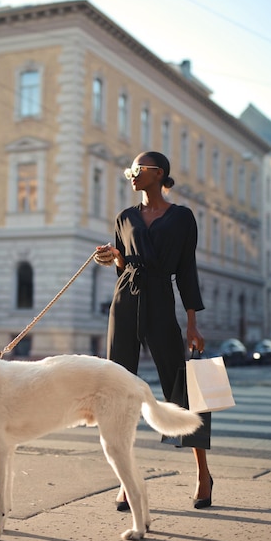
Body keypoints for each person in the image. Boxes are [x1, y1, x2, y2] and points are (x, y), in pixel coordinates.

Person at [94, 150, 212, 512]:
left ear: (159, 173)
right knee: (118, 390)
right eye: (129, 170)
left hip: (161, 300)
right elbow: (124, 263)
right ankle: (126, 482)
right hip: (125, 303)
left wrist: (192, 322)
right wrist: (113, 257)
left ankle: (203, 474)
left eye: (138, 169)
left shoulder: (182, 218)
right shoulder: (124, 216)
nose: (131, 174)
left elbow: (186, 270)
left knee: (182, 387)